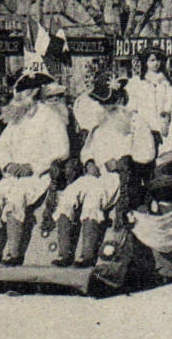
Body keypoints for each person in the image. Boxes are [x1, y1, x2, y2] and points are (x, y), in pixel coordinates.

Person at [52, 74, 154, 268]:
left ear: (120, 100)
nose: (103, 107)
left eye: (107, 103)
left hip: (119, 177)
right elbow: (88, 150)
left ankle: (87, 255)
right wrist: (89, 162)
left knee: (94, 198)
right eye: (101, 103)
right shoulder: (100, 124)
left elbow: (147, 153)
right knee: (68, 195)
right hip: (96, 174)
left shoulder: (135, 123)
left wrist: (123, 162)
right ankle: (64, 253)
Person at [0, 71, 69, 267]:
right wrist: (8, 164)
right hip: (12, 176)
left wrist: (33, 167)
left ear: (34, 93)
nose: (18, 97)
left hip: (37, 177)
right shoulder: (17, 118)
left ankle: (13, 254)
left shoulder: (50, 117)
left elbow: (62, 150)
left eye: (23, 93)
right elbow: (0, 146)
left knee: (15, 200)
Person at [126, 50, 172, 150]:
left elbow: (169, 101)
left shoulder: (165, 81)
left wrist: (165, 118)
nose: (156, 63)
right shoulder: (139, 81)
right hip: (145, 122)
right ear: (146, 63)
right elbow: (133, 104)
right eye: (152, 60)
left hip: (161, 122)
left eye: (158, 60)